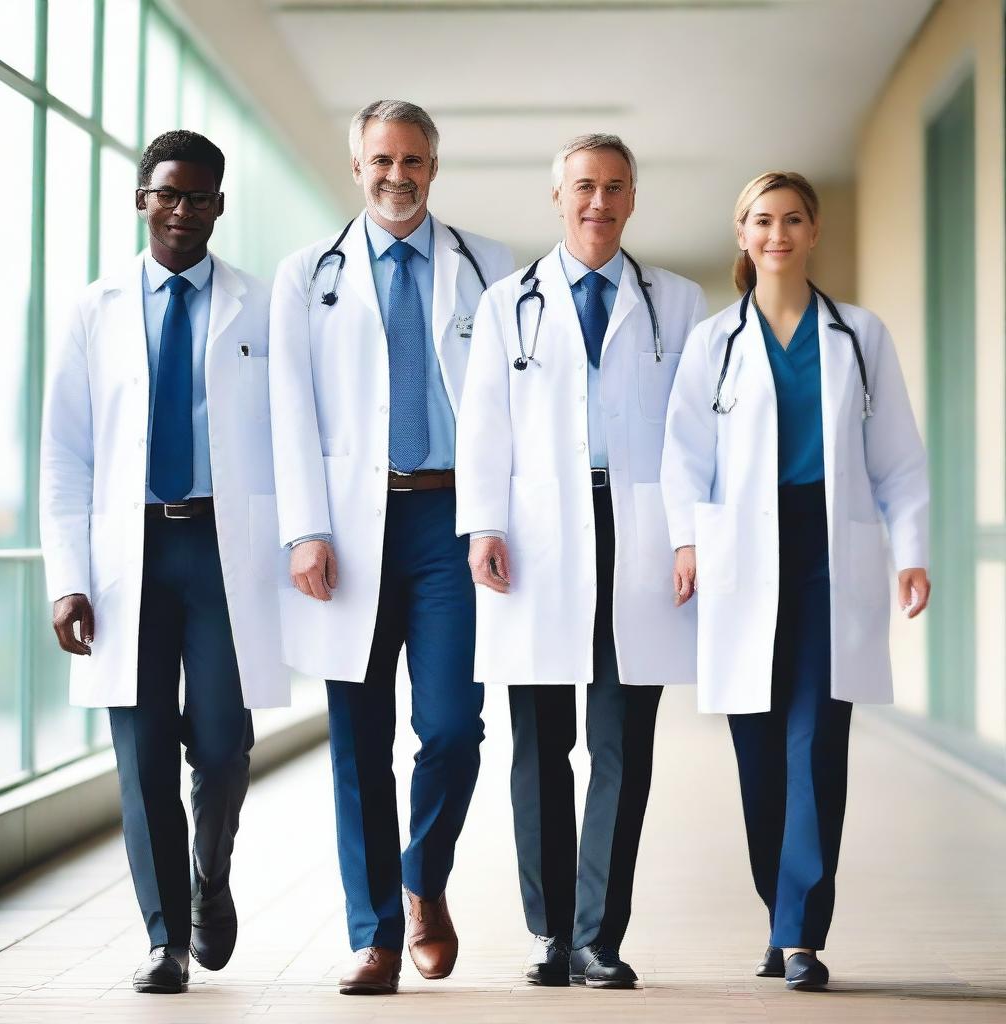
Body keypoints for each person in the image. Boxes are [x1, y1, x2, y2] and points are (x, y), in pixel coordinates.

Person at [662, 171, 930, 991]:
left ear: (813, 232)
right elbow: (684, 457)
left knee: (817, 743)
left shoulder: (860, 335)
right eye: (762, 221)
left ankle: (801, 932)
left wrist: (910, 548)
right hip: (743, 552)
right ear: (742, 235)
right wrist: (685, 543)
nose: (777, 234)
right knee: (759, 755)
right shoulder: (715, 342)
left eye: (792, 219)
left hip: (827, 550)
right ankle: (780, 912)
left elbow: (899, 460)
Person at [269, 100, 513, 996]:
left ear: (435, 166)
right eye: (381, 159)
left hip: (451, 526)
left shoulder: (491, 267)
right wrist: (306, 530)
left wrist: (500, 520)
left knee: (453, 726)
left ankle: (422, 877)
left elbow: (509, 408)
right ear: (357, 164)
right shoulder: (307, 274)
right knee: (358, 739)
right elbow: (290, 411)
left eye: (413, 158)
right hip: (352, 530)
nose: (396, 174)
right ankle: (374, 934)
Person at [39, 130, 288, 994]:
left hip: (222, 548)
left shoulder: (261, 307)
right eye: (166, 195)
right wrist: (68, 577)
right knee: (142, 754)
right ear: (143, 199)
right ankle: (163, 938)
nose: (182, 211)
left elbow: (288, 434)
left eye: (199, 197)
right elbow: (64, 453)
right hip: (127, 552)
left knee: (222, 746)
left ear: (221, 204)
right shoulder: (93, 308)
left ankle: (208, 880)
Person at [456, 133, 706, 990]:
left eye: (615, 187)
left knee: (622, 746)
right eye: (584, 187)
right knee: (537, 745)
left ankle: (600, 936)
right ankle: (549, 932)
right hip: (537, 533)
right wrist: (482, 522)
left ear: (634, 198)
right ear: (556, 197)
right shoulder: (506, 304)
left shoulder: (678, 301)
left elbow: (691, 435)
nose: (598, 202)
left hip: (637, 528)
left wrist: (689, 536)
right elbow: (483, 422)